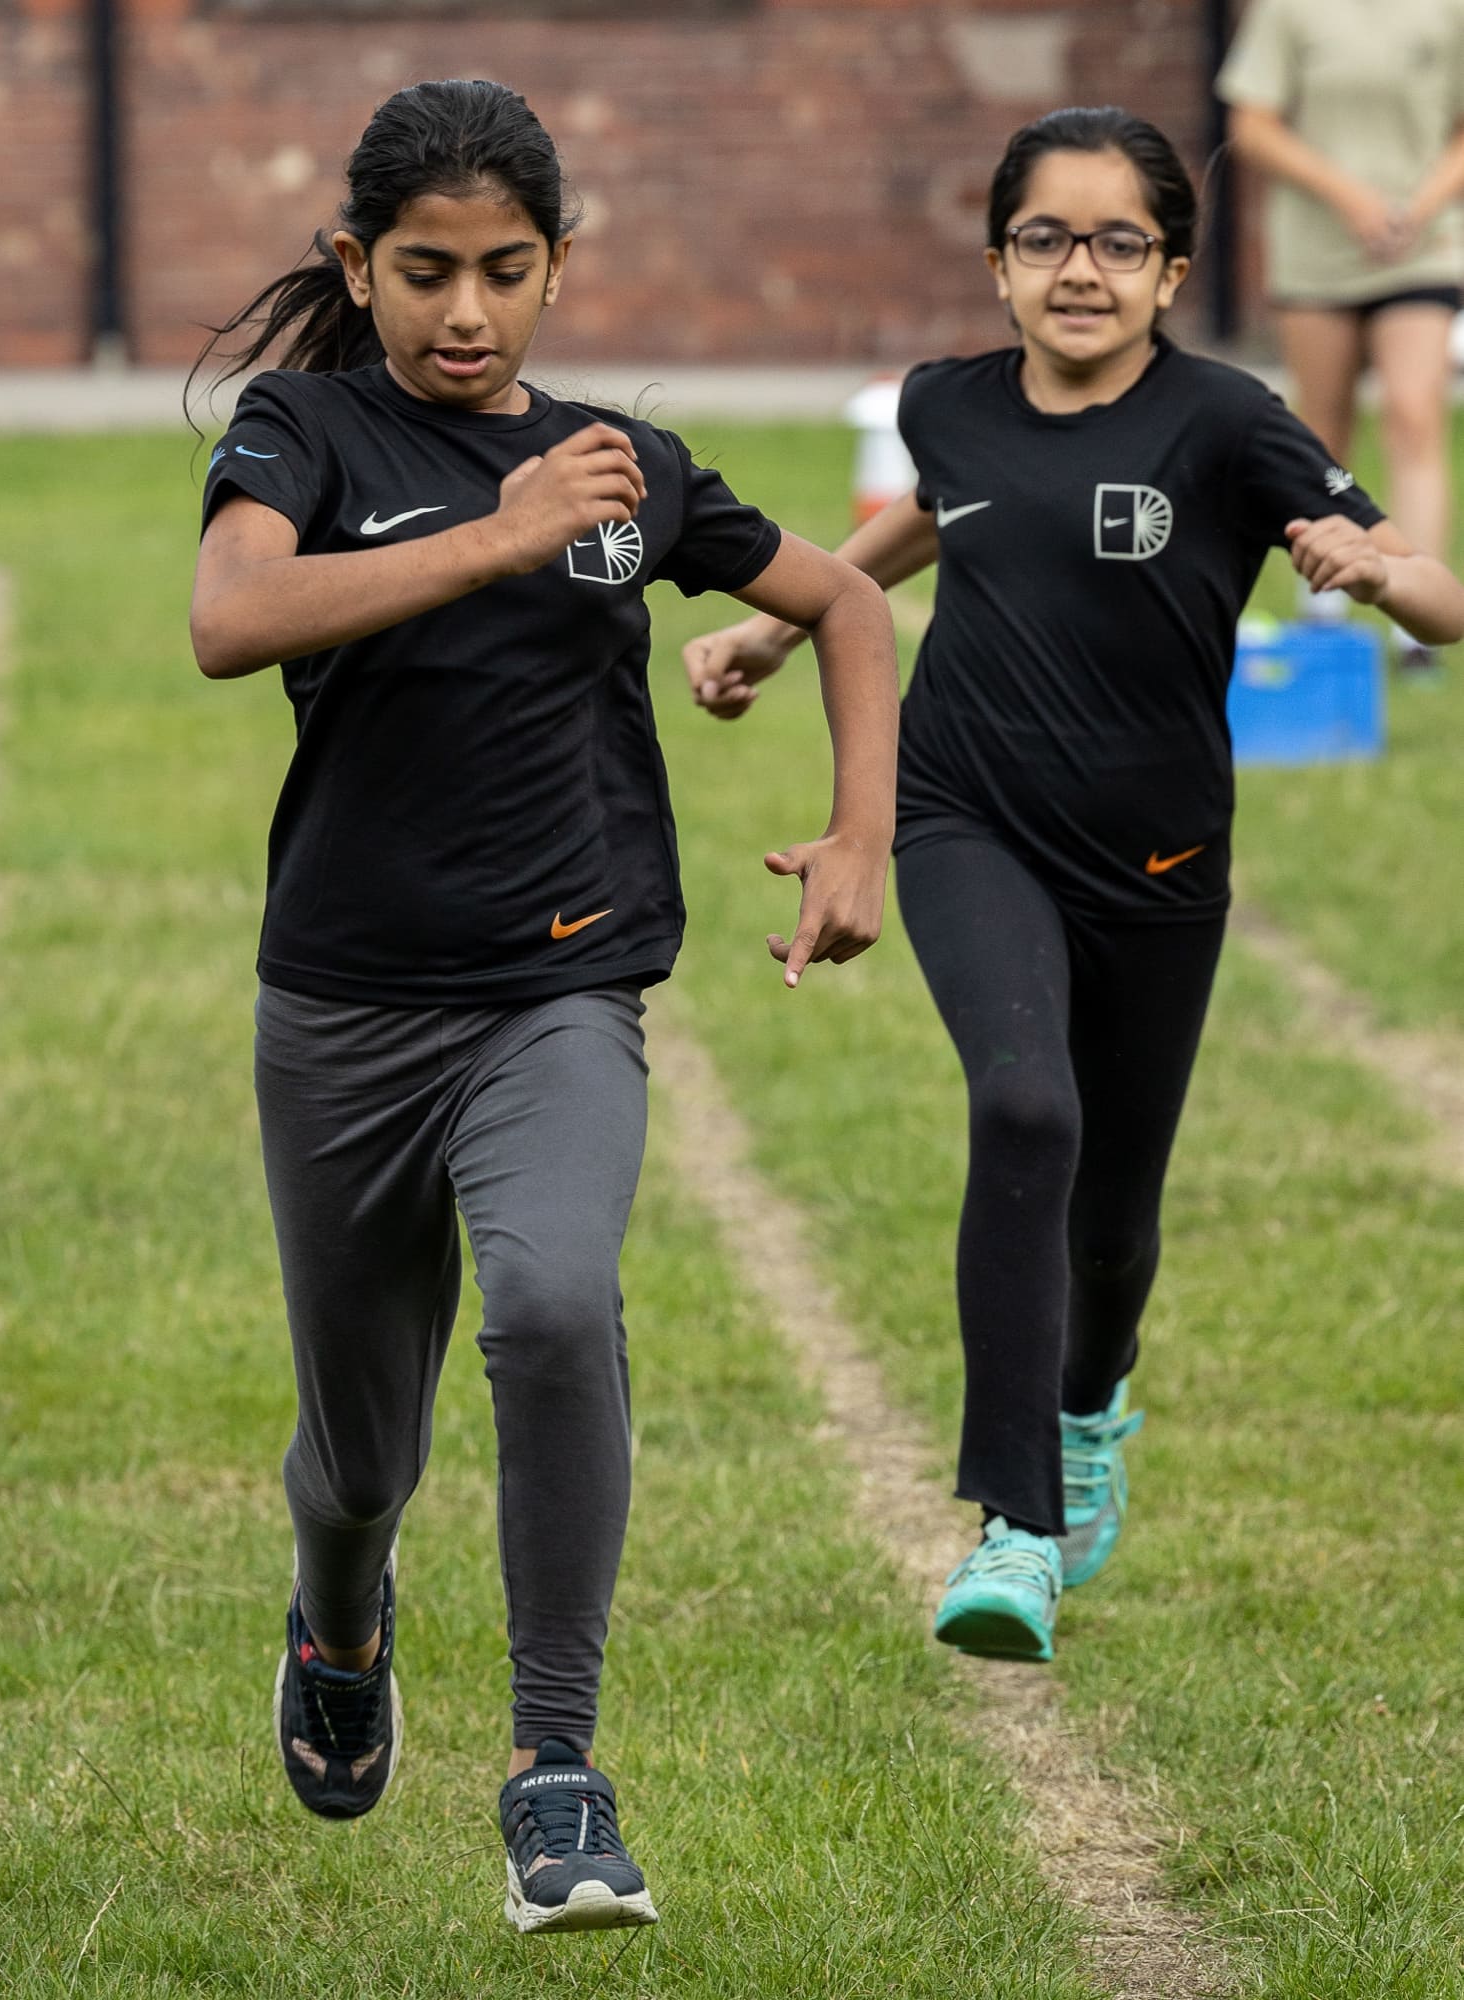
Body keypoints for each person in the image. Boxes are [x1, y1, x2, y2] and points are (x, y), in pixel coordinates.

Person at [187, 77, 897, 1934]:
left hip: (558, 991)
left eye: (509, 270)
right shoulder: (306, 429)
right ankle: (340, 1614)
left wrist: (855, 839)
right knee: (362, 1456)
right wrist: (499, 535)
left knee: (562, 1306)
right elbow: (231, 617)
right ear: (360, 262)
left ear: (563, 264)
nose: (468, 312)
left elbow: (848, 605)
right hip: (341, 1008)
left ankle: (556, 1774)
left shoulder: (624, 466)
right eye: (424, 272)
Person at [682, 106, 1464, 1666]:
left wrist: (1381, 573)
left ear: (1173, 269)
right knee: (1025, 1108)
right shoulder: (949, 406)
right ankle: (1016, 1526)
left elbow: (1445, 601)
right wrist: (781, 627)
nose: (1081, 270)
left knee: (1113, 1223)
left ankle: (1094, 1405)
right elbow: (932, 515)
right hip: (965, 813)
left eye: (1119, 242)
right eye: (1046, 239)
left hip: (1160, 861)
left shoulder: (1231, 426)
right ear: (998, 262)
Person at [1217, 0, 1464, 673]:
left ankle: (1415, 630)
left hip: (1422, 247)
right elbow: (1253, 125)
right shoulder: (1289, 10)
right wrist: (1350, 197)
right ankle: (1321, 609)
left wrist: (1416, 207)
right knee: (1320, 434)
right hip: (1317, 253)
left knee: (1416, 417)